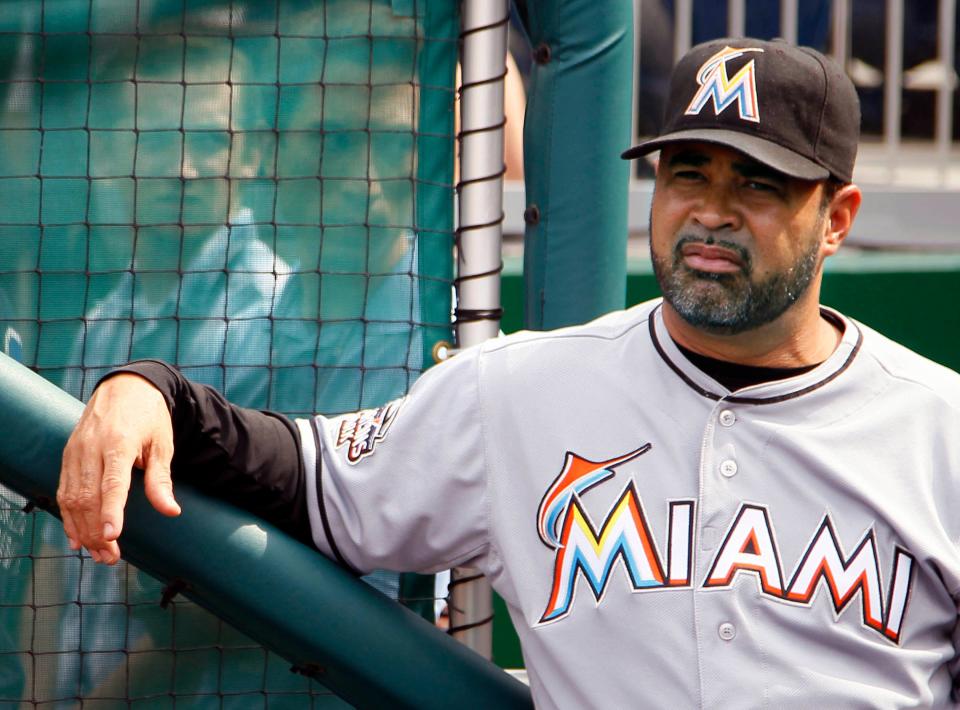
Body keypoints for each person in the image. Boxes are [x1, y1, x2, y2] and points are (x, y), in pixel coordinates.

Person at [57, 37, 960, 708]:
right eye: (688, 174)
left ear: (838, 217)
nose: (710, 214)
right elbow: (310, 475)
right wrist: (149, 389)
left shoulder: (936, 430)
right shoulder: (520, 393)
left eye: (758, 185)